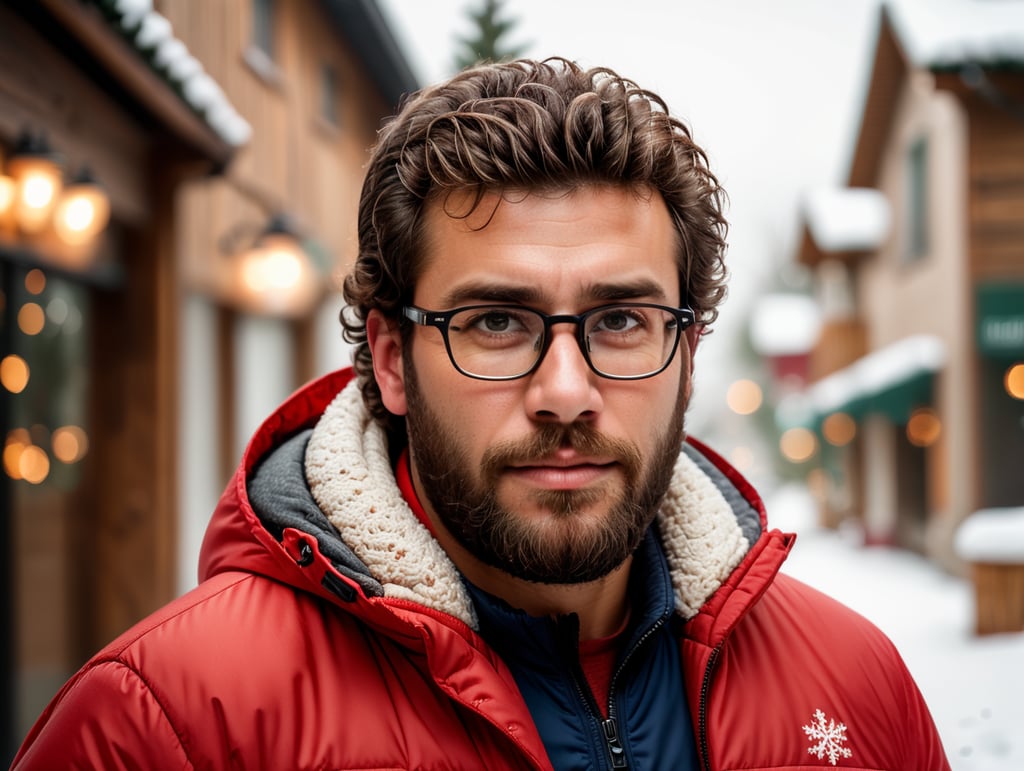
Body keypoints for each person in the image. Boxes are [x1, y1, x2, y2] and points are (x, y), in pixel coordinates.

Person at [12, 57, 950, 771]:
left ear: (690, 353)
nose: (566, 392)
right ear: (390, 358)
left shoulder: (855, 686)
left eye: (622, 319)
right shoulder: (170, 724)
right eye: (497, 321)